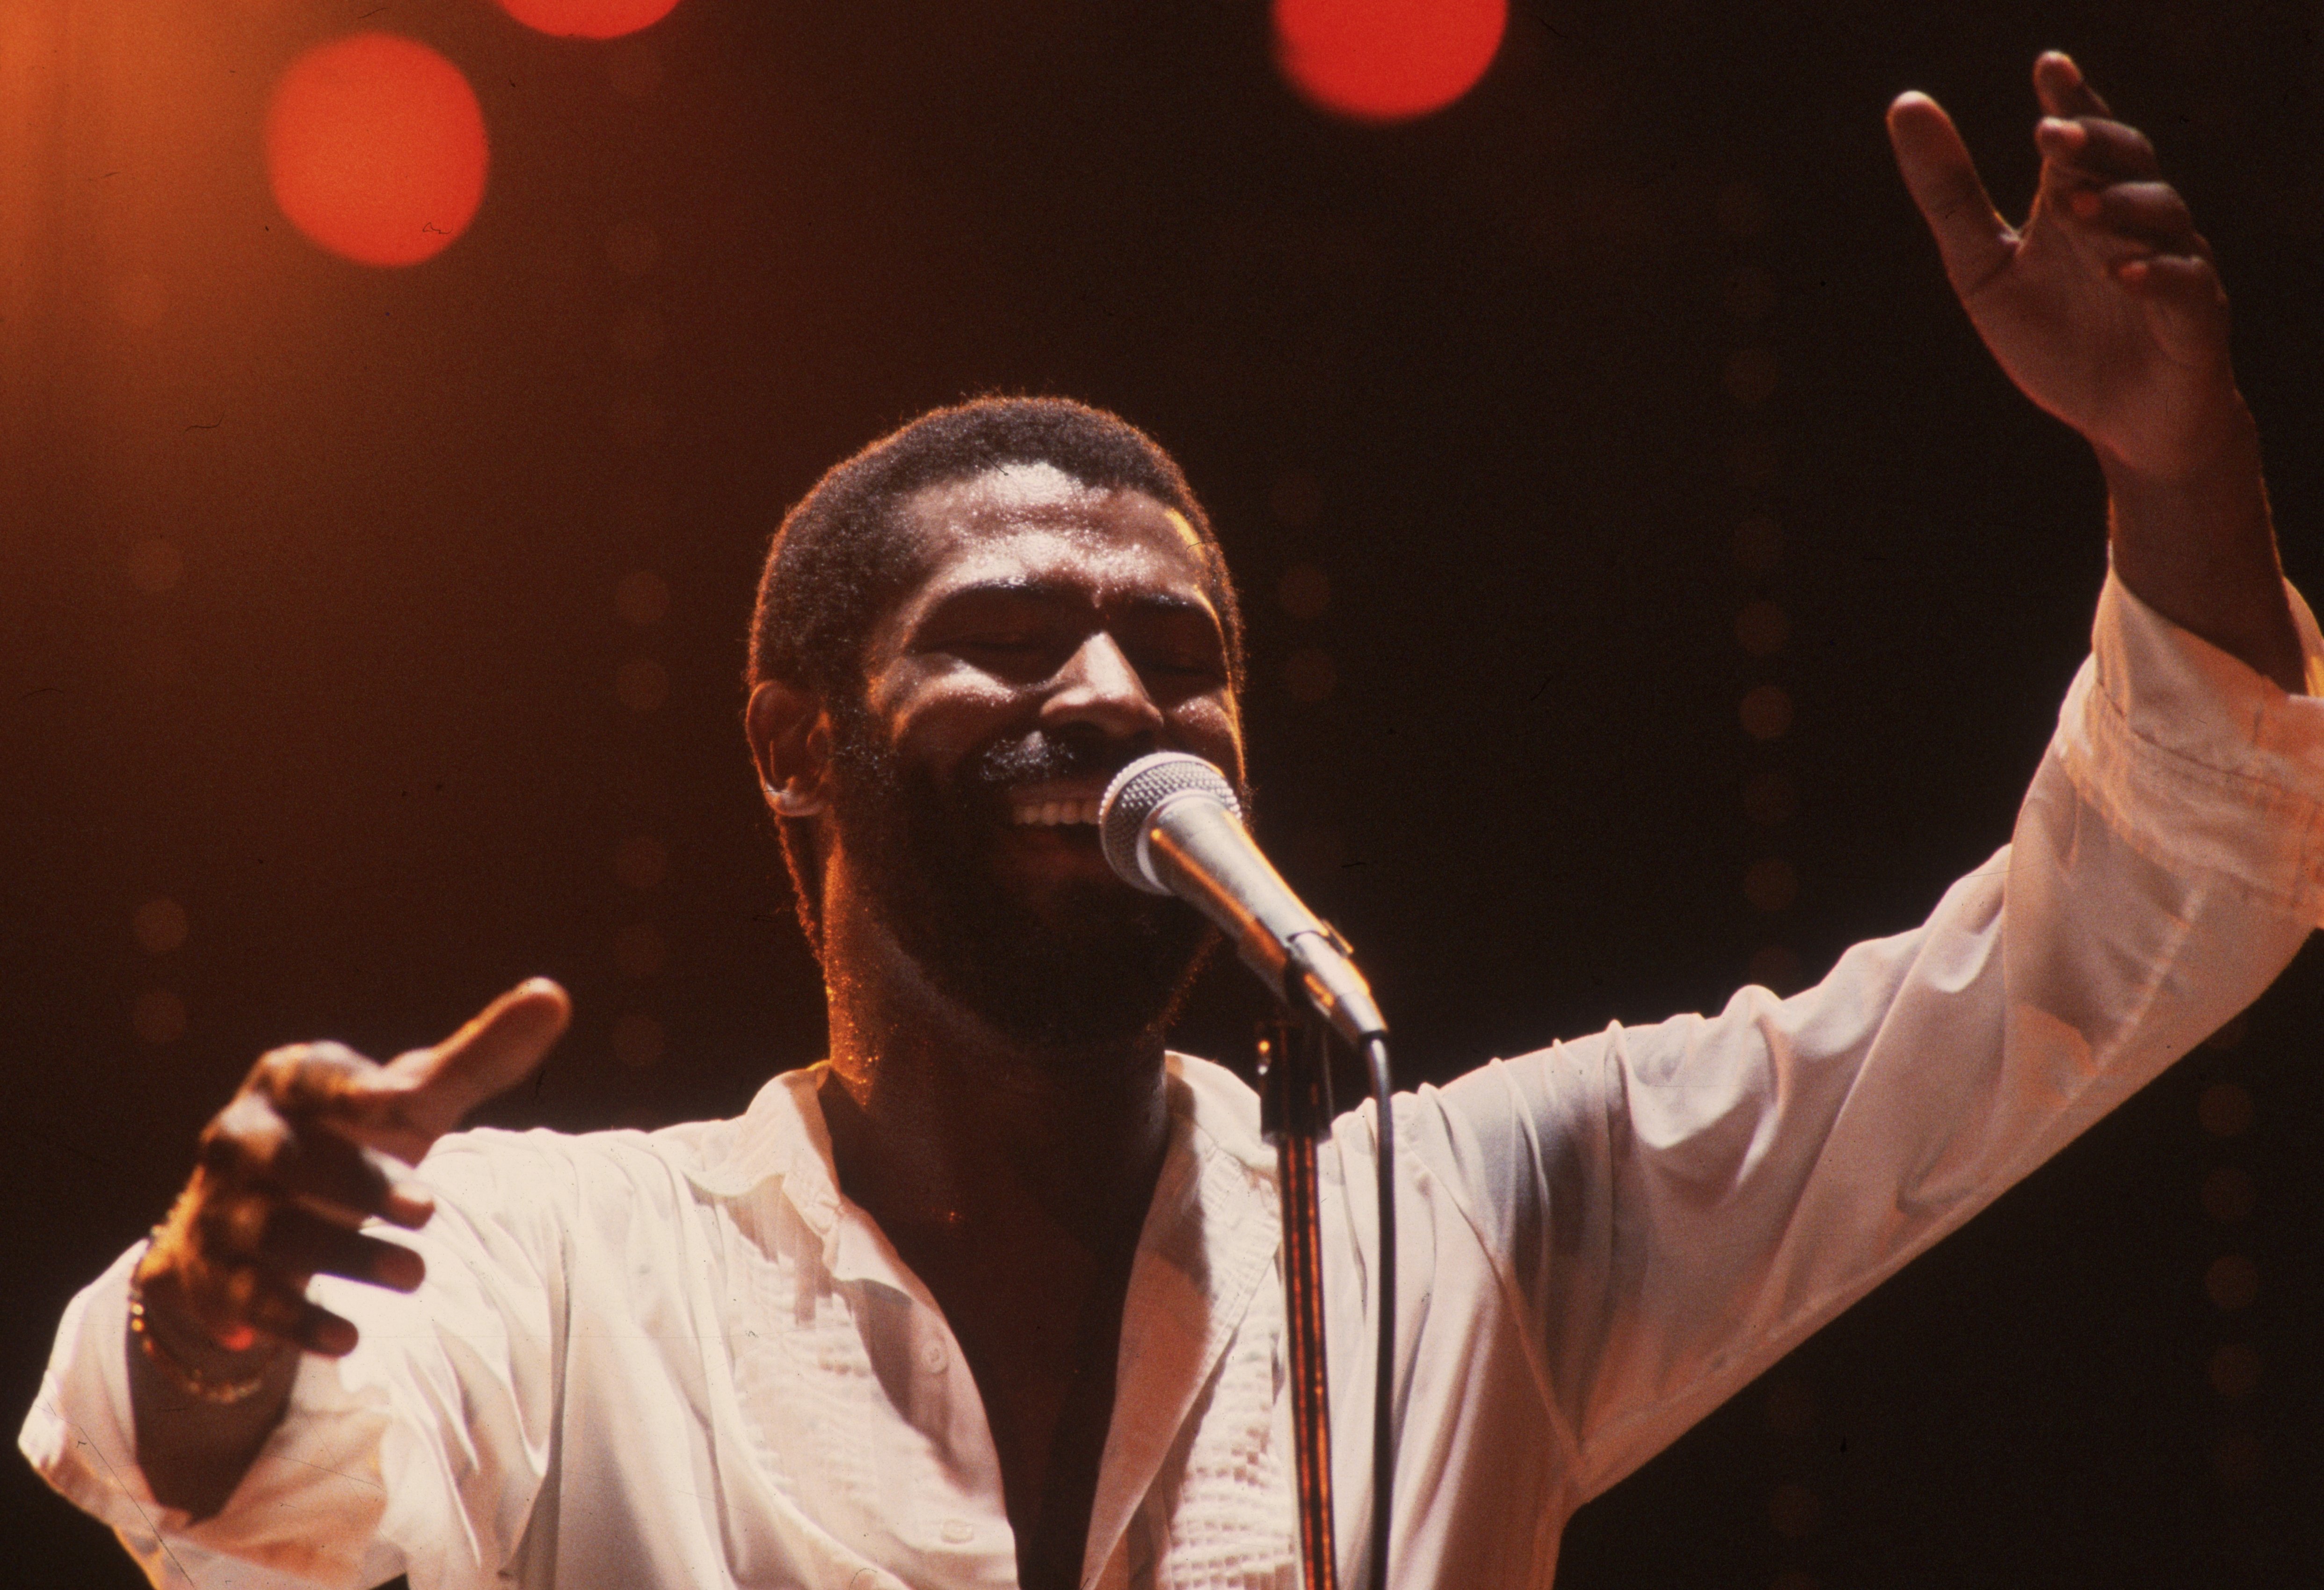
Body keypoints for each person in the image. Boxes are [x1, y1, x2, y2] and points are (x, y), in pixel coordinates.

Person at [22, 52, 2322, 1590]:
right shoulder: (560, 1259)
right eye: (1012, 631)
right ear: (796, 744)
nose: (1116, 689)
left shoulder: (1469, 1220)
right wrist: (228, 1331)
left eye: (1180, 648)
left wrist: (2175, 472)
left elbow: (2097, 952)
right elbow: (267, 1504)